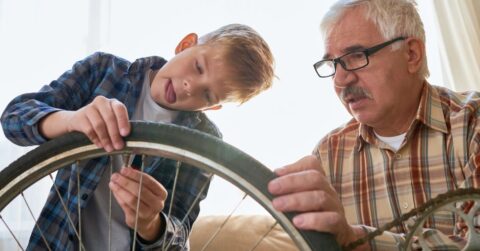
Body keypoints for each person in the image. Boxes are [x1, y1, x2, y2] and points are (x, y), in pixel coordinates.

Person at [1, 23, 274, 250]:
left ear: (212, 107)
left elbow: (179, 234)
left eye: (207, 95)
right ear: (186, 44)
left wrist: (151, 223)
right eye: (199, 67)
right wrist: (71, 120)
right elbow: (14, 118)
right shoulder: (102, 71)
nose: (190, 86)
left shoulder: (205, 142)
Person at [268, 0, 479, 250]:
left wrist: (357, 241)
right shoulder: (328, 155)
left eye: (356, 56)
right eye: (332, 64)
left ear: (411, 54)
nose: (340, 79)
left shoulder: (471, 123)